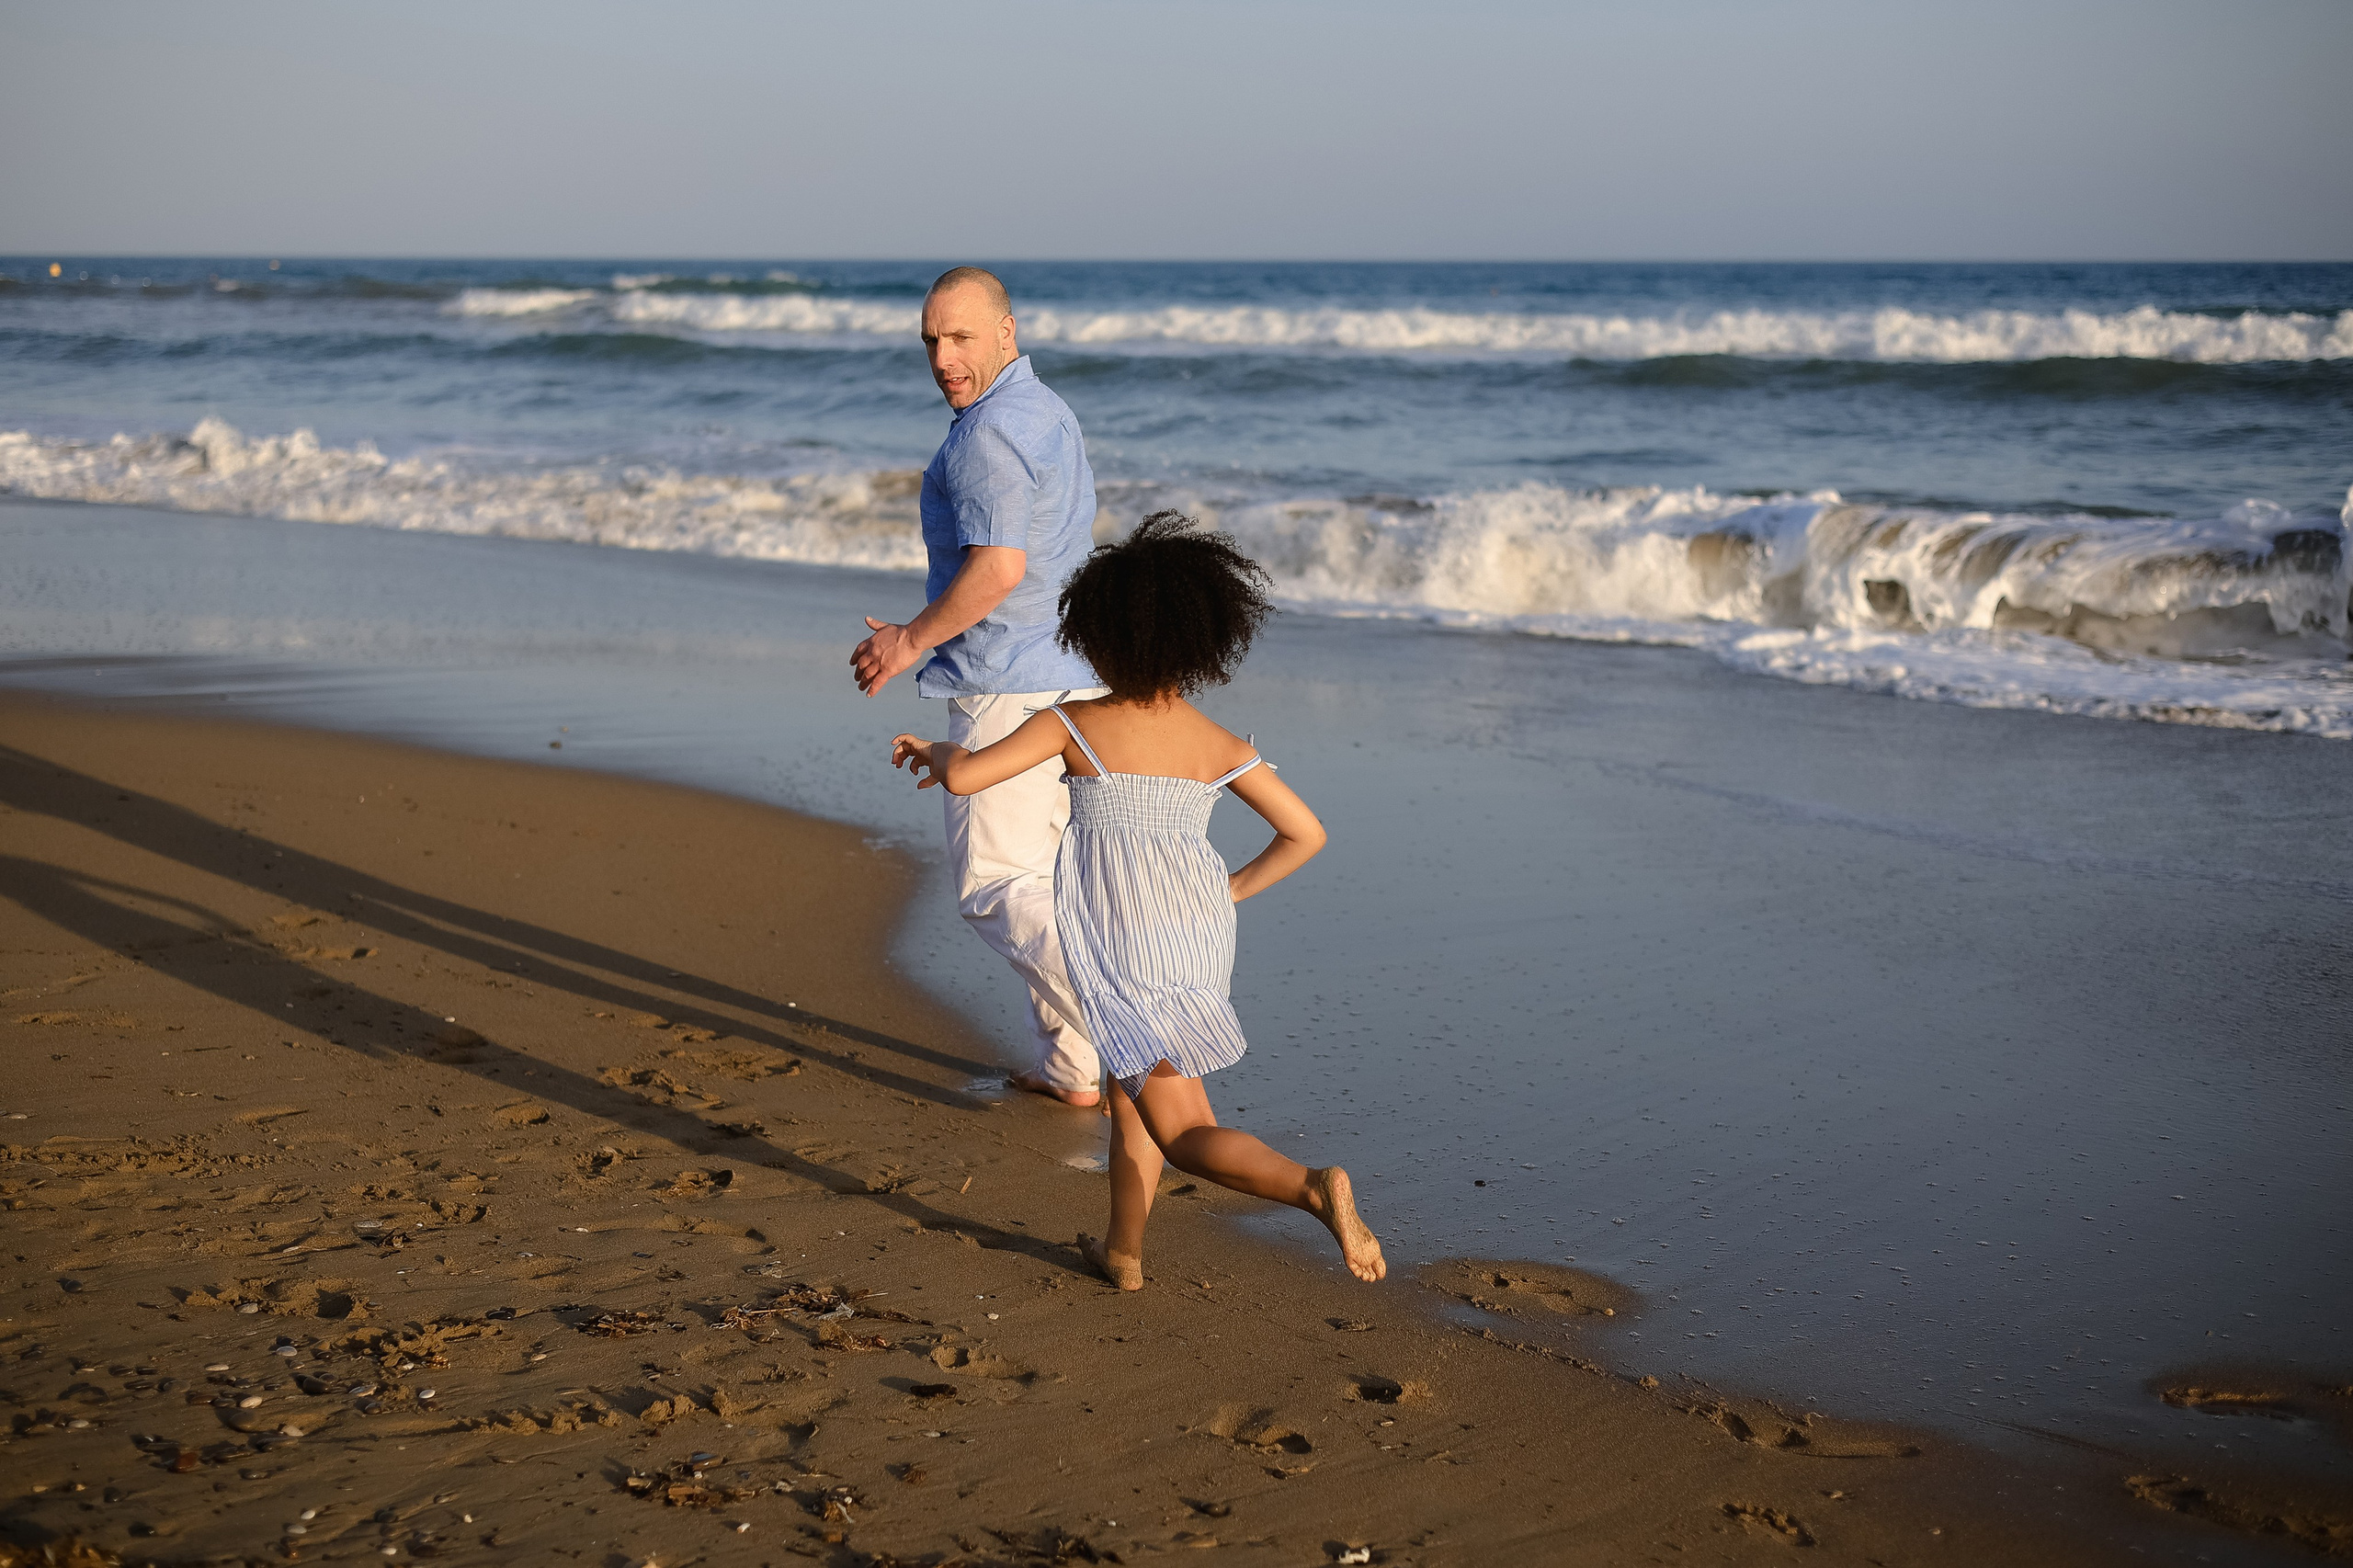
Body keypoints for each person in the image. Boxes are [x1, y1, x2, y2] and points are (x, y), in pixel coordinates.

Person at [888, 513, 1385, 1290]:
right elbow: (1306, 833)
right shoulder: (1219, 743)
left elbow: (967, 776)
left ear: (1095, 636)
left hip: (1120, 943)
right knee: (1135, 1097)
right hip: (1194, 936)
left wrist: (933, 749)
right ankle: (1124, 1253)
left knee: (1185, 1128)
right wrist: (1227, 892)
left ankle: (1310, 1188)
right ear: (1203, 641)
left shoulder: (1076, 724)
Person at [852, 267, 1108, 1108]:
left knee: (996, 885)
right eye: (931, 339)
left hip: (1010, 684)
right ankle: (1075, 1067)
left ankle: (1127, 1032)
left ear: (1006, 330)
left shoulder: (990, 433)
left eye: (961, 337)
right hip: (1070, 674)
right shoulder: (1050, 413)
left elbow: (998, 568)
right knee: (1047, 882)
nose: (943, 357)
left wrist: (907, 642)